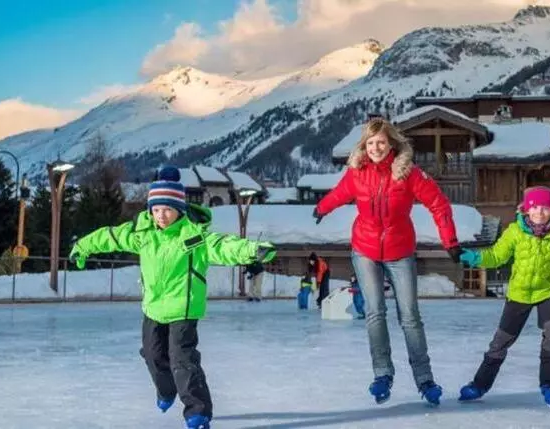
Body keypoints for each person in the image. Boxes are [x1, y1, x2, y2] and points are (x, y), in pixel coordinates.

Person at [68, 166, 277, 429]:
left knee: (183, 360)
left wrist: (252, 250)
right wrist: (82, 247)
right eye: (156, 210)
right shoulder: (142, 235)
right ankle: (166, 391)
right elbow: (110, 236)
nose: (161, 216)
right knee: (153, 355)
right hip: (153, 308)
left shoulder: (193, 237)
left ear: (179, 208)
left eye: (167, 209)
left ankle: (197, 412)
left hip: (184, 308)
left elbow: (222, 246)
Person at [313, 117, 462, 406]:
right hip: (365, 249)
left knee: (409, 317)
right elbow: (340, 193)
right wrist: (321, 208)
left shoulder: (408, 173)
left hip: (400, 250)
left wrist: (450, 241)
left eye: (381, 141)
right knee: (374, 312)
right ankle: (382, 374)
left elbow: (438, 204)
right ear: (363, 146)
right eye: (370, 143)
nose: (376, 147)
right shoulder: (357, 173)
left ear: (391, 143)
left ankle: (425, 379)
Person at [456, 186, 550, 409]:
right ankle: (479, 384)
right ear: (526, 210)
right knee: (501, 341)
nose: (539, 213)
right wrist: (475, 258)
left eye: (545, 208)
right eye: (534, 207)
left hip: (547, 292)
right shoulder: (515, 231)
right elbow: (496, 255)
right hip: (519, 293)